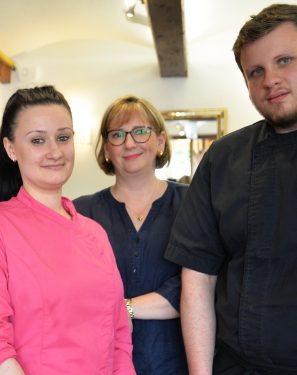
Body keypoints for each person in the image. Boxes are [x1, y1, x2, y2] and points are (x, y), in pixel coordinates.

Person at [164, 4, 297, 374]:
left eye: (285, 61)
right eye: (256, 71)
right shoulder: (224, 156)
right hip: (238, 366)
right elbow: (198, 278)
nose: (270, 80)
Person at [0, 86, 136, 375]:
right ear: (11, 149)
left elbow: (119, 336)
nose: (55, 152)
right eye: (38, 140)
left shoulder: (95, 233)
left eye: (63, 138)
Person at [74, 95, 188, 374]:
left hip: (176, 361)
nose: (129, 143)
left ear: (160, 142)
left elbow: (200, 285)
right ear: (106, 150)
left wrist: (125, 307)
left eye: (140, 131)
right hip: (101, 362)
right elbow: (76, 292)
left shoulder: (191, 203)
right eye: (117, 135)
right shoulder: (80, 212)